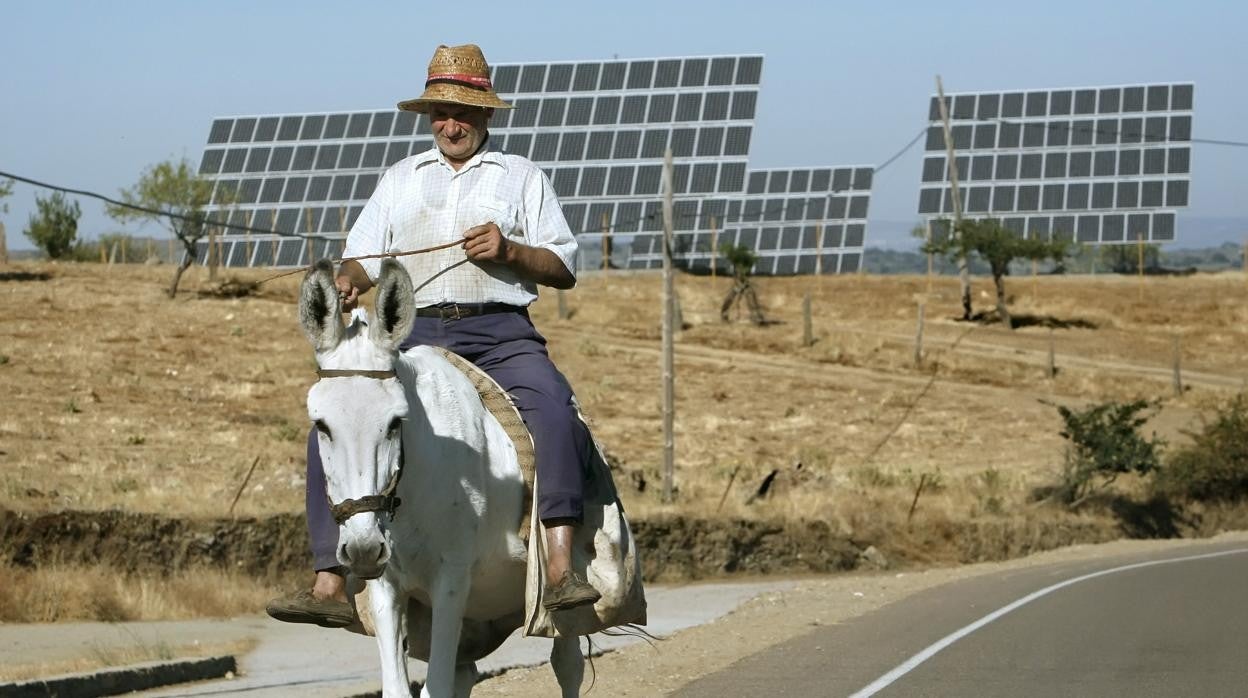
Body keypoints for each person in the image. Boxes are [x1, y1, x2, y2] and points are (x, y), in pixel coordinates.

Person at [266, 43, 600, 627]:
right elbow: (362, 258)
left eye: (463, 113)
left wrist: (511, 250)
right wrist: (347, 281)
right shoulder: (400, 179)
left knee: (553, 410)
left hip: (501, 334)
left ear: (486, 115)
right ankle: (329, 579)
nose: (451, 125)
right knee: (338, 414)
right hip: (414, 336)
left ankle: (560, 567)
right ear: (429, 118)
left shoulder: (521, 176)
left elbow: (564, 267)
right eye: (440, 114)